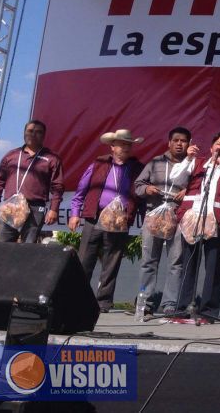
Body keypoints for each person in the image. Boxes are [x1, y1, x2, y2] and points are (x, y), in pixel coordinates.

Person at [69, 129, 145, 313]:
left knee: (112, 262)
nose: (126, 147)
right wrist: (74, 213)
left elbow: (141, 197)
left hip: (120, 221)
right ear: (112, 146)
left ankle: (103, 302)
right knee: (85, 260)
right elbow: (81, 190)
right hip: (94, 217)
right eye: (122, 144)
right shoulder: (98, 163)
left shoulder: (137, 168)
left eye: (129, 144)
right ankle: (76, 298)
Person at [172, 132, 220, 322]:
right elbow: (175, 176)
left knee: (213, 267)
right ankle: (181, 309)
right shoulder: (197, 164)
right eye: (218, 144)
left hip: (219, 225)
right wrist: (188, 158)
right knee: (189, 265)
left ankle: (208, 312)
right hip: (194, 222)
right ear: (211, 148)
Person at [132, 127, 191, 317]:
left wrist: (187, 193)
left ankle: (170, 304)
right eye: (176, 140)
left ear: (188, 144)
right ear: (169, 143)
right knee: (149, 261)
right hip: (154, 215)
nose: (180, 144)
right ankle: (144, 303)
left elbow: (199, 188)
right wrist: (147, 189)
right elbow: (138, 185)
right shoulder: (155, 162)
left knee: (176, 263)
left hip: (177, 216)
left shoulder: (192, 166)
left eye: (183, 141)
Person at [0, 120, 64, 243]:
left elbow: (58, 186)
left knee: (28, 248)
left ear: (44, 136)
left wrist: (54, 209)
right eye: (30, 131)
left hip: (35, 208)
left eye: (38, 132)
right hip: (10, 206)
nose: (33, 134)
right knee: (4, 246)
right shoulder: (11, 156)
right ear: (24, 133)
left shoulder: (52, 158)